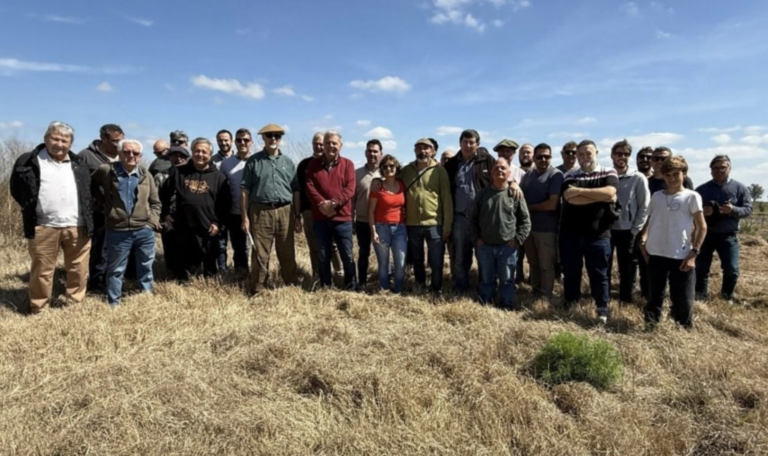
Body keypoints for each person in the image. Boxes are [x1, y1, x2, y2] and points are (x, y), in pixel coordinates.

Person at [10, 121, 94, 314]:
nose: (60, 144)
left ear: (70, 143)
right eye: (55, 138)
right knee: (42, 270)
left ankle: (75, 303)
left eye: (65, 140)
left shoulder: (78, 163)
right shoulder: (29, 160)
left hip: (77, 225)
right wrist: (30, 208)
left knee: (78, 268)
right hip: (44, 225)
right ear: (46, 138)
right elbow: (17, 189)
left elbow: (87, 192)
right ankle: (39, 307)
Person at [90, 139, 160, 306]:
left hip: (144, 230)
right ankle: (113, 301)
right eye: (127, 152)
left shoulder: (145, 174)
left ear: (140, 156)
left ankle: (146, 296)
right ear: (119, 154)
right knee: (115, 269)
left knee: (145, 266)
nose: (131, 155)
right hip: (117, 230)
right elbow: (90, 185)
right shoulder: (106, 171)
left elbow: (155, 202)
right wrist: (101, 203)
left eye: (135, 153)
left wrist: (152, 222)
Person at [639, 156, 706, 328]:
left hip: (681, 254)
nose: (672, 178)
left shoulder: (692, 196)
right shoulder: (656, 196)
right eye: (668, 175)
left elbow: (701, 227)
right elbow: (649, 219)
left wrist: (694, 253)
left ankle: (682, 330)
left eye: (676, 174)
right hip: (655, 253)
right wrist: (643, 241)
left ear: (684, 174)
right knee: (654, 295)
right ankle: (650, 327)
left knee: (682, 297)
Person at [559, 140, 619, 323]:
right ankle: (570, 304)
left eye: (588, 153)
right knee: (571, 272)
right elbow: (570, 199)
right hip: (571, 234)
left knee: (599, 274)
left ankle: (602, 309)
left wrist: (580, 191)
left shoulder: (608, 171)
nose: (585, 157)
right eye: (581, 154)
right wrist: (598, 197)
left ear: (596, 153)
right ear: (577, 155)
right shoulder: (570, 174)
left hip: (598, 234)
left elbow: (610, 193)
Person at [160, 137, 230, 280]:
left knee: (209, 261)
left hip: (208, 226)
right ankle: (182, 281)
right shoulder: (179, 172)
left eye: (204, 152)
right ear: (191, 152)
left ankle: (209, 283)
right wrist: (165, 213)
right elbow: (163, 193)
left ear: (210, 155)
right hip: (183, 225)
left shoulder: (219, 177)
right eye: (197, 151)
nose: (200, 154)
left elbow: (225, 204)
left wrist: (217, 223)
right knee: (183, 262)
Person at [239, 124, 298, 293]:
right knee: (260, 252)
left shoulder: (288, 162)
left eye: (277, 136)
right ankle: (258, 287)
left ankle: (290, 285)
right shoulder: (253, 161)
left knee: (287, 250)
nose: (273, 139)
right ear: (263, 138)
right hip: (260, 211)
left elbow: (296, 190)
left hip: (286, 211)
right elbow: (244, 191)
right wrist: (245, 217)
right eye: (269, 135)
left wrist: (298, 215)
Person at [469, 158, 531, 309]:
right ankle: (485, 303)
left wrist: (517, 239)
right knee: (486, 279)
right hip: (485, 246)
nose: (500, 170)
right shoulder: (482, 194)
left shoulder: (515, 194)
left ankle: (506, 304)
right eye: (496, 168)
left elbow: (525, 220)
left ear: (509, 173)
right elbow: (472, 219)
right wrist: (476, 238)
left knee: (507, 279)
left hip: (507, 246)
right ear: (491, 173)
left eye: (503, 168)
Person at [695, 155, 753, 302]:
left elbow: (748, 210)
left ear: (730, 169)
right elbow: (691, 211)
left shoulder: (740, 188)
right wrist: (703, 211)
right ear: (710, 171)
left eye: (723, 167)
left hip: (728, 235)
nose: (719, 170)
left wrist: (733, 210)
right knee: (701, 268)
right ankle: (700, 296)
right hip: (706, 234)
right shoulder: (702, 189)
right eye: (716, 168)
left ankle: (726, 297)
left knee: (731, 269)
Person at [444, 129, 495, 294]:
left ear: (477, 144)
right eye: (465, 142)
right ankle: (461, 288)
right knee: (460, 257)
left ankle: (485, 290)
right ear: (460, 143)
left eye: (471, 142)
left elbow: (502, 179)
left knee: (484, 256)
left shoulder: (487, 160)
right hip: (460, 218)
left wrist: (514, 184)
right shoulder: (451, 164)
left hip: (482, 218)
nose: (468, 145)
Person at [306, 131, 357, 290]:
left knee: (347, 256)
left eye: (334, 143)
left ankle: (351, 287)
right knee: (323, 255)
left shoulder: (348, 164)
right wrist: (321, 203)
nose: (330, 146)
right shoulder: (313, 165)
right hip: (320, 219)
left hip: (342, 220)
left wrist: (333, 203)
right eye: (327, 143)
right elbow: (309, 186)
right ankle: (326, 286)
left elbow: (350, 189)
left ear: (340, 146)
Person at [402, 138, 453, 297]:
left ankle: (436, 288)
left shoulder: (439, 171)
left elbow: (446, 198)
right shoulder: (406, 170)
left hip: (434, 223)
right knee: (417, 259)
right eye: (419, 148)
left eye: (426, 148)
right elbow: (390, 180)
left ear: (433, 151)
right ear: (414, 150)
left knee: (436, 260)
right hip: (412, 223)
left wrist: (447, 225)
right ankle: (420, 285)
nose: (423, 151)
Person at [80, 123, 124, 292]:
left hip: (120, 212)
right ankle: (97, 283)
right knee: (100, 249)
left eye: (121, 140)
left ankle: (114, 279)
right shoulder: (86, 156)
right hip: (98, 212)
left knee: (117, 248)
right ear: (103, 138)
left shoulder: (123, 155)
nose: (119, 144)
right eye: (115, 141)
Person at [294, 133, 342, 279]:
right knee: (314, 245)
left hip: (330, 211)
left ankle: (339, 272)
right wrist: (298, 214)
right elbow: (299, 190)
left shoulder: (333, 163)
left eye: (322, 143)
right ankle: (317, 274)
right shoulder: (304, 164)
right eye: (316, 143)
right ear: (312, 145)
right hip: (309, 211)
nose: (319, 146)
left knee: (332, 244)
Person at [609, 139, 650, 303]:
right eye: (619, 153)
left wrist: (635, 230)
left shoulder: (637, 178)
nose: (622, 157)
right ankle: (603, 296)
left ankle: (625, 298)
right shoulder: (606, 175)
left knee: (627, 268)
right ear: (612, 156)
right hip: (607, 229)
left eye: (626, 154)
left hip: (628, 230)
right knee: (604, 265)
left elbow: (644, 206)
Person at [521, 143, 564, 298]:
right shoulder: (528, 175)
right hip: (529, 228)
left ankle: (546, 295)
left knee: (546, 264)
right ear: (534, 158)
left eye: (547, 156)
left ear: (551, 157)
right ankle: (536, 290)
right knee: (533, 262)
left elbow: (552, 204)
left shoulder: (555, 175)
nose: (543, 159)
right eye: (539, 156)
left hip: (547, 229)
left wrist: (529, 208)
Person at [368, 155, 407, 293]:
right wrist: (374, 232)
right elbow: (371, 211)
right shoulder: (377, 186)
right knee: (383, 263)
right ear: (381, 169)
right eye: (385, 167)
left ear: (397, 167)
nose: (388, 169)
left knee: (400, 263)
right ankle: (384, 290)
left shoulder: (402, 184)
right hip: (381, 227)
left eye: (392, 166)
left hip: (400, 229)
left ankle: (398, 290)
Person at [219, 128, 252, 273]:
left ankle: (257, 274)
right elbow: (222, 188)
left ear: (251, 142)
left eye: (245, 140)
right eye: (239, 140)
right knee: (239, 247)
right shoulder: (226, 164)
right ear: (235, 142)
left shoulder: (257, 160)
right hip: (234, 212)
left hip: (255, 211)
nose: (242, 143)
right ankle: (241, 273)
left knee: (256, 246)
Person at [155, 145, 190, 277]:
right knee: (170, 245)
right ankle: (171, 272)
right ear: (169, 158)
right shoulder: (161, 176)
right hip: (168, 216)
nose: (178, 159)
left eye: (182, 157)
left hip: (187, 216)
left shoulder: (192, 175)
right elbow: (155, 199)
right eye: (175, 156)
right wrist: (162, 216)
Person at [353, 139, 382, 290]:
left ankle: (383, 281)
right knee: (363, 253)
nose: (372, 154)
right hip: (363, 221)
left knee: (383, 253)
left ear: (381, 154)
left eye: (375, 151)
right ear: (365, 153)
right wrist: (351, 218)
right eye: (370, 151)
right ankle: (362, 282)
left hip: (382, 222)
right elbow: (352, 199)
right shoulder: (357, 174)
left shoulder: (386, 172)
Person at [634, 146, 655, 298]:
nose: (645, 160)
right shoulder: (632, 178)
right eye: (642, 157)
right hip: (633, 226)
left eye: (649, 157)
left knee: (649, 263)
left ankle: (649, 295)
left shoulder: (662, 180)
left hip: (654, 229)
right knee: (632, 262)